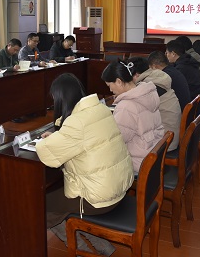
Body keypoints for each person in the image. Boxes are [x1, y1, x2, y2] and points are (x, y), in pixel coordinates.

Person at [36, 74, 133, 245]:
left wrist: (44, 141)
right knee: (58, 200)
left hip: (97, 199)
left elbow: (48, 155)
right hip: (118, 187)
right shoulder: (101, 109)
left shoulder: (76, 122)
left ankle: (81, 247)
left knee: (39, 205)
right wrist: (59, 137)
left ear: (61, 98)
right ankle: (102, 246)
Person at [101, 60, 164, 173]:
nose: (110, 90)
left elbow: (116, 141)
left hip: (138, 162)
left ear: (119, 82)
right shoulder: (148, 94)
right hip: (154, 155)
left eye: (109, 85)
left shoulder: (126, 107)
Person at [128, 56, 181, 151]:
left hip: (164, 144)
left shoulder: (148, 86)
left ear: (136, 75)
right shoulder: (157, 78)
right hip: (171, 136)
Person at [165, 40, 200, 105]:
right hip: (195, 100)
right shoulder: (187, 61)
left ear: (173, 54)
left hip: (190, 102)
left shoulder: (182, 68)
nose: (166, 55)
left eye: (167, 53)